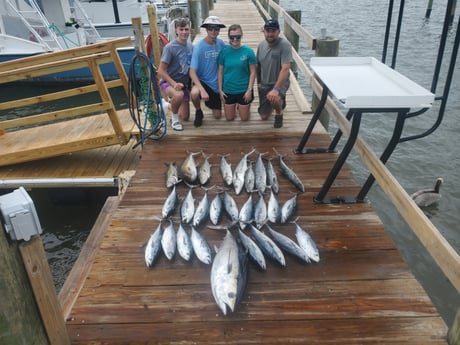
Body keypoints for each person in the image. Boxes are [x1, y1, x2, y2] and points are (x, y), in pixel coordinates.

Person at [189, 16, 226, 127]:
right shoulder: (199, 47)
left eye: (216, 29)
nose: (213, 31)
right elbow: (192, 72)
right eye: (210, 28)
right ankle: (198, 111)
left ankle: (210, 103)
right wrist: (202, 90)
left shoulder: (221, 44)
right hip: (203, 82)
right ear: (206, 29)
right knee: (195, 93)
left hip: (217, 83)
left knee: (218, 115)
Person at [256, 19, 293, 128]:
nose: (270, 34)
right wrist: (258, 82)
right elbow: (258, 66)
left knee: (274, 98)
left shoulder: (285, 45)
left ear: (278, 31)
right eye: (268, 31)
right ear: (264, 31)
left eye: (273, 31)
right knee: (263, 116)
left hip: (280, 82)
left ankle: (278, 113)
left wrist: (276, 90)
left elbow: (286, 69)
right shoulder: (261, 45)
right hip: (265, 82)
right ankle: (281, 103)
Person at [158, 17, 193, 131]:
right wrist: (174, 84)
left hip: (184, 84)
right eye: (181, 29)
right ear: (176, 30)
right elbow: (161, 70)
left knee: (185, 116)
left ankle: (165, 105)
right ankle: (174, 120)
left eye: (186, 29)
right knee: (178, 95)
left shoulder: (191, 46)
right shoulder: (170, 48)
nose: (184, 32)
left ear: (190, 30)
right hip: (169, 83)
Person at [218, 24, 257, 121]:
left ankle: (244, 107)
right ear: (229, 37)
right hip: (228, 90)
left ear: (241, 36)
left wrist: (249, 90)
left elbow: (253, 72)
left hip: (243, 90)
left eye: (237, 37)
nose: (235, 39)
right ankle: (237, 107)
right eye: (232, 37)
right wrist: (220, 90)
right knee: (229, 118)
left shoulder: (248, 52)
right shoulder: (224, 52)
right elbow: (220, 72)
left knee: (244, 118)